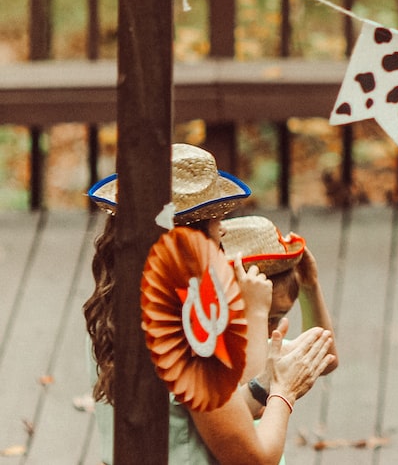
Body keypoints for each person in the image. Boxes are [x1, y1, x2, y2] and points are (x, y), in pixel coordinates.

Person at [84, 143, 336, 465]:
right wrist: (284, 391)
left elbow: (203, 419)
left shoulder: (110, 309)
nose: (223, 228)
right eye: (213, 219)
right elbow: (254, 458)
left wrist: (263, 387)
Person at [220, 214, 339, 415]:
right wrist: (255, 311)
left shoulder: (266, 345)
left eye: (276, 318)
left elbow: (326, 357)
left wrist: (310, 287)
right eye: (261, 318)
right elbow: (253, 402)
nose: (268, 329)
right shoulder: (212, 351)